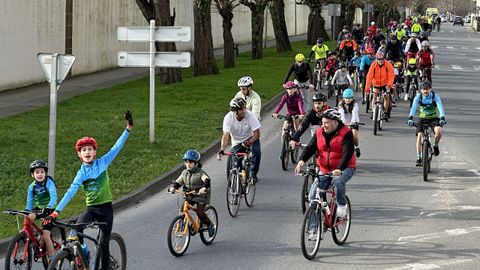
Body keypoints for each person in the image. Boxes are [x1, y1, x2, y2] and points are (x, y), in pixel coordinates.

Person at [43, 111, 133, 270]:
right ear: (79, 154)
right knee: (76, 230)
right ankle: (84, 258)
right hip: (91, 209)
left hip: (105, 208)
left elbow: (117, 147)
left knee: (104, 244)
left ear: (95, 152)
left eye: (90, 149)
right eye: (83, 150)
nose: (87, 152)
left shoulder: (103, 162)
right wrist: (55, 212)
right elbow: (70, 192)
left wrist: (128, 128)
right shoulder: (81, 174)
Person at [295, 109, 356, 221]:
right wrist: (301, 160)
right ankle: (314, 229)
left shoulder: (346, 133)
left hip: (345, 167)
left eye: (326, 123)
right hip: (325, 168)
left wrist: (339, 168)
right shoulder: (319, 132)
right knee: (312, 197)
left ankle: (342, 206)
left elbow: (347, 153)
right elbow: (310, 147)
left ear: (335, 122)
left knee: (337, 181)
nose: (323, 125)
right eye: (322, 123)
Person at [168, 150, 215, 237]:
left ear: (196, 163)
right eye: (186, 162)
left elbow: (207, 180)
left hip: (201, 195)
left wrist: (204, 188)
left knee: (200, 213)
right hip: (190, 195)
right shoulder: (184, 173)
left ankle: (209, 225)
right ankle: (183, 223)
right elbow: (179, 181)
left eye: (191, 162)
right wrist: (173, 187)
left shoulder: (200, 173)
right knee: (183, 209)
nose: (188, 164)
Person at [218, 97, 261, 183]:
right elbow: (226, 135)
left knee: (256, 152)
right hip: (237, 142)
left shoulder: (250, 115)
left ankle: (253, 174)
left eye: (244, 108)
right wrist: (222, 149)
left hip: (251, 138)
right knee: (236, 162)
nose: (244, 111)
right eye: (241, 109)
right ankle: (241, 176)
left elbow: (257, 133)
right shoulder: (228, 118)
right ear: (235, 111)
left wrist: (249, 142)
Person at [407, 81, 446, 166]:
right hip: (422, 118)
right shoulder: (418, 97)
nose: (425, 91)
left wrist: (442, 117)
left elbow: (440, 107)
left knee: (439, 132)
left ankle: (435, 145)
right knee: (419, 136)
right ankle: (419, 158)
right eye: (424, 89)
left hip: (433, 118)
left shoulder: (435, 97)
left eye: (427, 89)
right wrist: (410, 118)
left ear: (430, 89)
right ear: (421, 90)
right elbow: (413, 107)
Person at [26, 160, 57, 261]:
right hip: (40, 208)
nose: (40, 174)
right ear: (32, 174)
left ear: (45, 173)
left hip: (50, 209)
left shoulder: (49, 182)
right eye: (37, 172)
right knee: (27, 216)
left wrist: (49, 207)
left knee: (46, 235)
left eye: (42, 172)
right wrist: (27, 210)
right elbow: (30, 202)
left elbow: (53, 197)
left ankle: (53, 260)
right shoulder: (32, 187)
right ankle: (32, 235)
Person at [365, 52, 395, 118]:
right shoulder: (373, 65)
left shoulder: (388, 64)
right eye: (379, 59)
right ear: (376, 59)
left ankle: (385, 112)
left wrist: (389, 85)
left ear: (384, 59)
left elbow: (391, 75)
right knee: (375, 96)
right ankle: (373, 112)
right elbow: (369, 76)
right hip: (376, 83)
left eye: (382, 59)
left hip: (386, 84)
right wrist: (367, 87)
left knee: (386, 97)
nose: (380, 61)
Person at [337, 89, 361, 158]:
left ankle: (357, 147)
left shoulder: (355, 104)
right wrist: (343, 122)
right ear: (343, 98)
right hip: (343, 123)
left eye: (349, 98)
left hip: (353, 123)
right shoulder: (341, 104)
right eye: (346, 98)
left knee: (354, 135)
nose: (347, 100)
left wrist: (353, 122)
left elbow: (355, 113)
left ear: (352, 98)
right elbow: (341, 113)